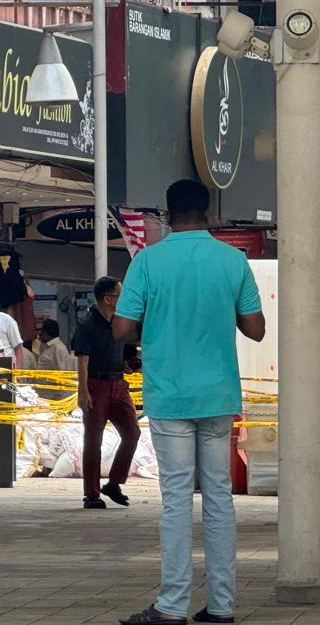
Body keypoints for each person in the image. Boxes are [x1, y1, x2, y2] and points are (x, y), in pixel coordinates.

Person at [113, 180, 265, 625]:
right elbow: (255, 329)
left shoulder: (147, 262)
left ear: (166, 214)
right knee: (218, 498)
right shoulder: (233, 260)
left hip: (169, 395)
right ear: (209, 212)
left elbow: (122, 329)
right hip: (218, 395)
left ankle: (172, 605)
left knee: (177, 500)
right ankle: (221, 606)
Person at [73, 277, 141, 511]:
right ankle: (91, 494)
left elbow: (128, 351)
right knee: (94, 440)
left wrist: (133, 362)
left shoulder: (120, 322)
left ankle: (114, 483)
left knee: (132, 432)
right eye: (119, 295)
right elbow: (82, 359)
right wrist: (82, 391)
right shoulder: (88, 324)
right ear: (107, 298)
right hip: (96, 384)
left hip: (118, 383)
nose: (123, 300)